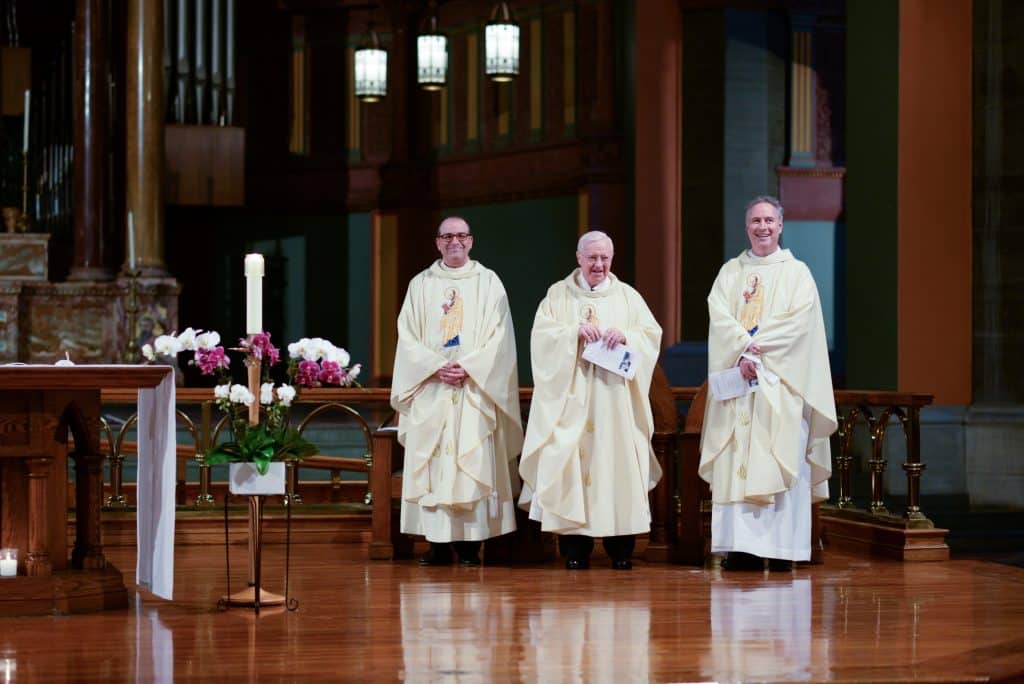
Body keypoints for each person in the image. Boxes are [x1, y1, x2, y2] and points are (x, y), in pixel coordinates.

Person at [699, 196, 837, 571]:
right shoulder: (730, 273)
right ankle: (740, 550)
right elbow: (720, 316)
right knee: (737, 461)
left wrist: (754, 353)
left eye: (769, 220)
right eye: (755, 221)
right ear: (747, 227)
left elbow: (799, 324)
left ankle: (781, 552)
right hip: (739, 387)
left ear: (780, 226)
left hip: (781, 385)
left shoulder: (798, 273)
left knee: (779, 456)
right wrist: (742, 353)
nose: (762, 227)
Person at [519, 230, 663, 570]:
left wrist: (627, 334)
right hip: (571, 402)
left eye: (605, 259)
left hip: (615, 402)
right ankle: (575, 549)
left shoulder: (628, 297)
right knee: (571, 467)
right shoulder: (557, 296)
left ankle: (621, 550)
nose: (598, 265)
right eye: (592, 258)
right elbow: (540, 340)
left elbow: (651, 336)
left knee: (617, 467)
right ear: (579, 258)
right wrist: (573, 334)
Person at [391, 217, 524, 566]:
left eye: (461, 236)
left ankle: (470, 545)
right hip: (433, 388)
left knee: (471, 462)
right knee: (435, 466)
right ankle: (436, 544)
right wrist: (435, 366)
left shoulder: (489, 283)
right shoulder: (420, 285)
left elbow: (501, 339)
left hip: (474, 388)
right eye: (448, 236)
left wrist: (470, 367)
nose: (455, 242)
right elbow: (407, 338)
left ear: (471, 241)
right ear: (437, 242)